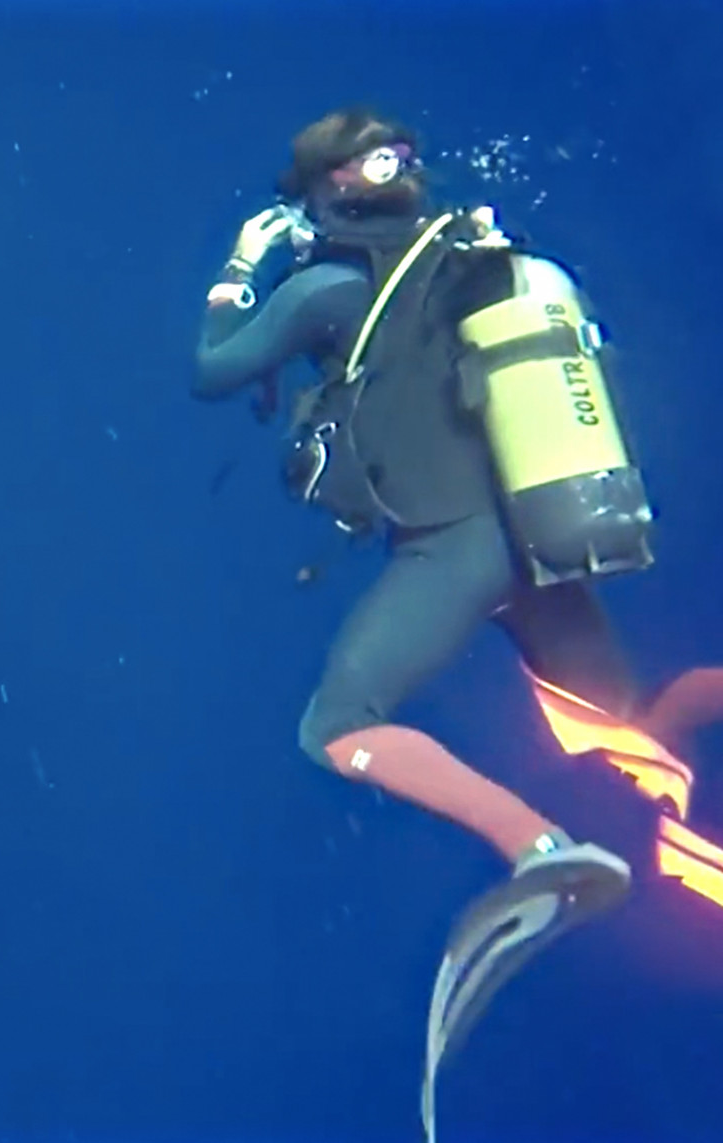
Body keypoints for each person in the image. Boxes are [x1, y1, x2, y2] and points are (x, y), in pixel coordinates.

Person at [190, 107, 723, 1063]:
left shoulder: (322, 291)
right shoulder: (479, 266)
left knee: (339, 723)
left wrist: (239, 268)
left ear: (325, 195)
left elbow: (213, 369)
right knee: (628, 727)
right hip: (544, 539)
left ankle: (542, 850)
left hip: (455, 550)